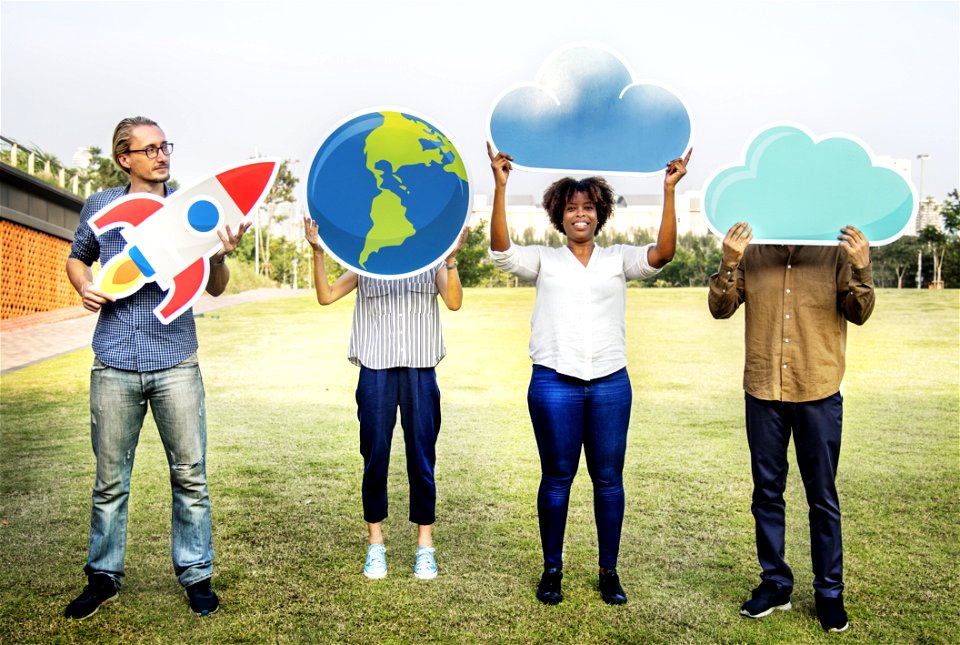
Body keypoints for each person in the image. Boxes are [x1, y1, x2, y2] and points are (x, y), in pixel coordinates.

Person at [487, 142, 691, 605]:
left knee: (608, 479)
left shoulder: (618, 258)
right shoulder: (544, 259)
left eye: (589, 207)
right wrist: (501, 186)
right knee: (556, 479)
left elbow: (663, 254)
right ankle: (553, 570)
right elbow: (501, 252)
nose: (580, 214)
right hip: (553, 383)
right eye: (571, 208)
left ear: (600, 214)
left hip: (609, 384)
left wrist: (669, 190)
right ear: (559, 216)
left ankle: (609, 572)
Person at [64, 116, 249, 619]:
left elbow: (214, 287)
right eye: (148, 149)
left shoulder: (192, 208)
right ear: (124, 158)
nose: (161, 155)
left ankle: (196, 574)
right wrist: (84, 285)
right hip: (115, 362)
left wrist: (219, 252)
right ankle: (103, 577)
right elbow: (77, 257)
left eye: (164, 145)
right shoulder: (103, 206)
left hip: (175, 363)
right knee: (110, 481)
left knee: (190, 475)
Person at [707, 221, 875, 633]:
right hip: (763, 390)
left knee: (822, 496)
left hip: (817, 388)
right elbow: (721, 308)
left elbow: (860, 314)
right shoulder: (752, 249)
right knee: (766, 493)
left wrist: (861, 268)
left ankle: (829, 593)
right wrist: (729, 262)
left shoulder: (833, 251)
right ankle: (776, 583)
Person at [303, 216, 466, 580]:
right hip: (374, 369)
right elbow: (326, 296)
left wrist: (451, 258)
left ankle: (425, 546)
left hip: (420, 369)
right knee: (374, 454)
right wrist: (318, 253)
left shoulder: (432, 259)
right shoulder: (367, 261)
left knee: (422, 456)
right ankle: (375, 544)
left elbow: (453, 301)